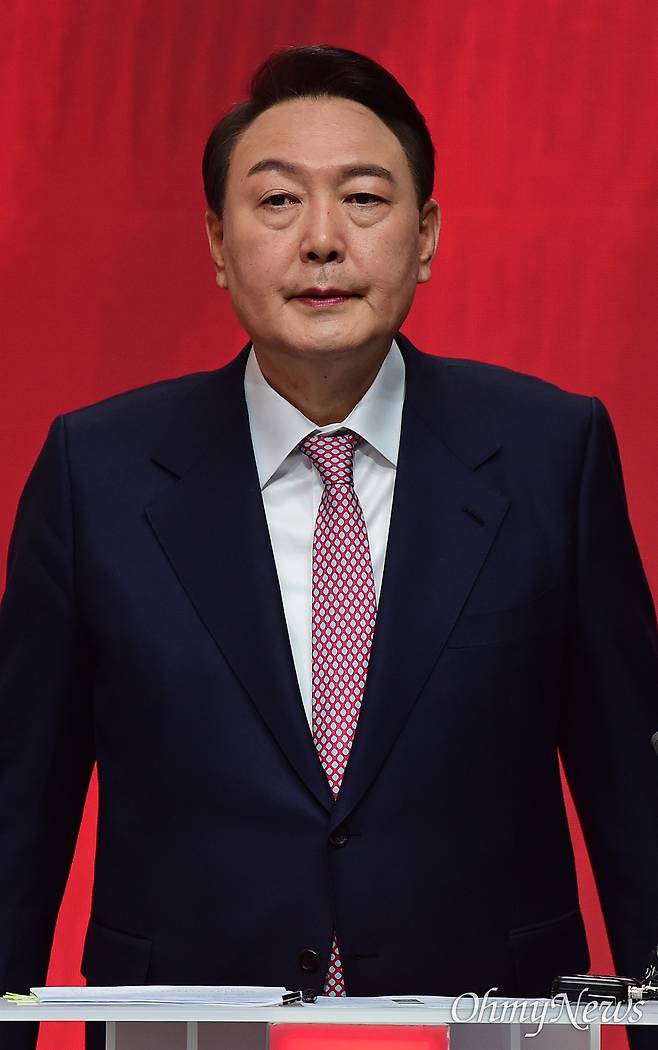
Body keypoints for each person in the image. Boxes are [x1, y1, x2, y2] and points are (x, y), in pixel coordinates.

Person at [0, 44, 656, 1050]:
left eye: (363, 199)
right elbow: (20, 811)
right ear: (217, 243)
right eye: (276, 202)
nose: (320, 241)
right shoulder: (99, 472)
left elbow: (634, 800)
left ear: (424, 237)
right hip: (186, 1028)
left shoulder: (549, 453)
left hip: (488, 1024)